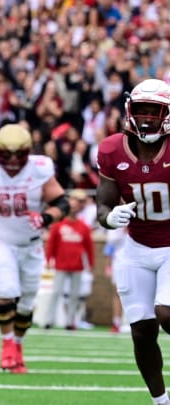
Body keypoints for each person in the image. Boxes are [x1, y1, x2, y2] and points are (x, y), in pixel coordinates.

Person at [0, 123, 68, 374]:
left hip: (31, 246)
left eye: (18, 154)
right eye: (6, 154)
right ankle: (7, 346)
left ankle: (17, 345)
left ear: (28, 151)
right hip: (1, 242)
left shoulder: (40, 169)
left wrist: (46, 218)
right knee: (6, 291)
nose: (12, 160)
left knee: (26, 305)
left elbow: (61, 202)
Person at [95, 78, 170, 405]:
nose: (147, 118)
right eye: (142, 110)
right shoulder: (112, 149)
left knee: (166, 313)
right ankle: (161, 402)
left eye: (155, 111)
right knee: (141, 330)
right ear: (129, 110)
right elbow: (103, 203)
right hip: (136, 248)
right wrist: (109, 218)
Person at [43, 188, 94, 330]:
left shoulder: (83, 226)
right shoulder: (59, 225)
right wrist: (48, 260)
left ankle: (70, 321)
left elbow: (89, 246)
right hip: (61, 264)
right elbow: (51, 244)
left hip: (77, 264)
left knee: (74, 295)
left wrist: (90, 263)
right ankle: (49, 320)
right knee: (55, 292)